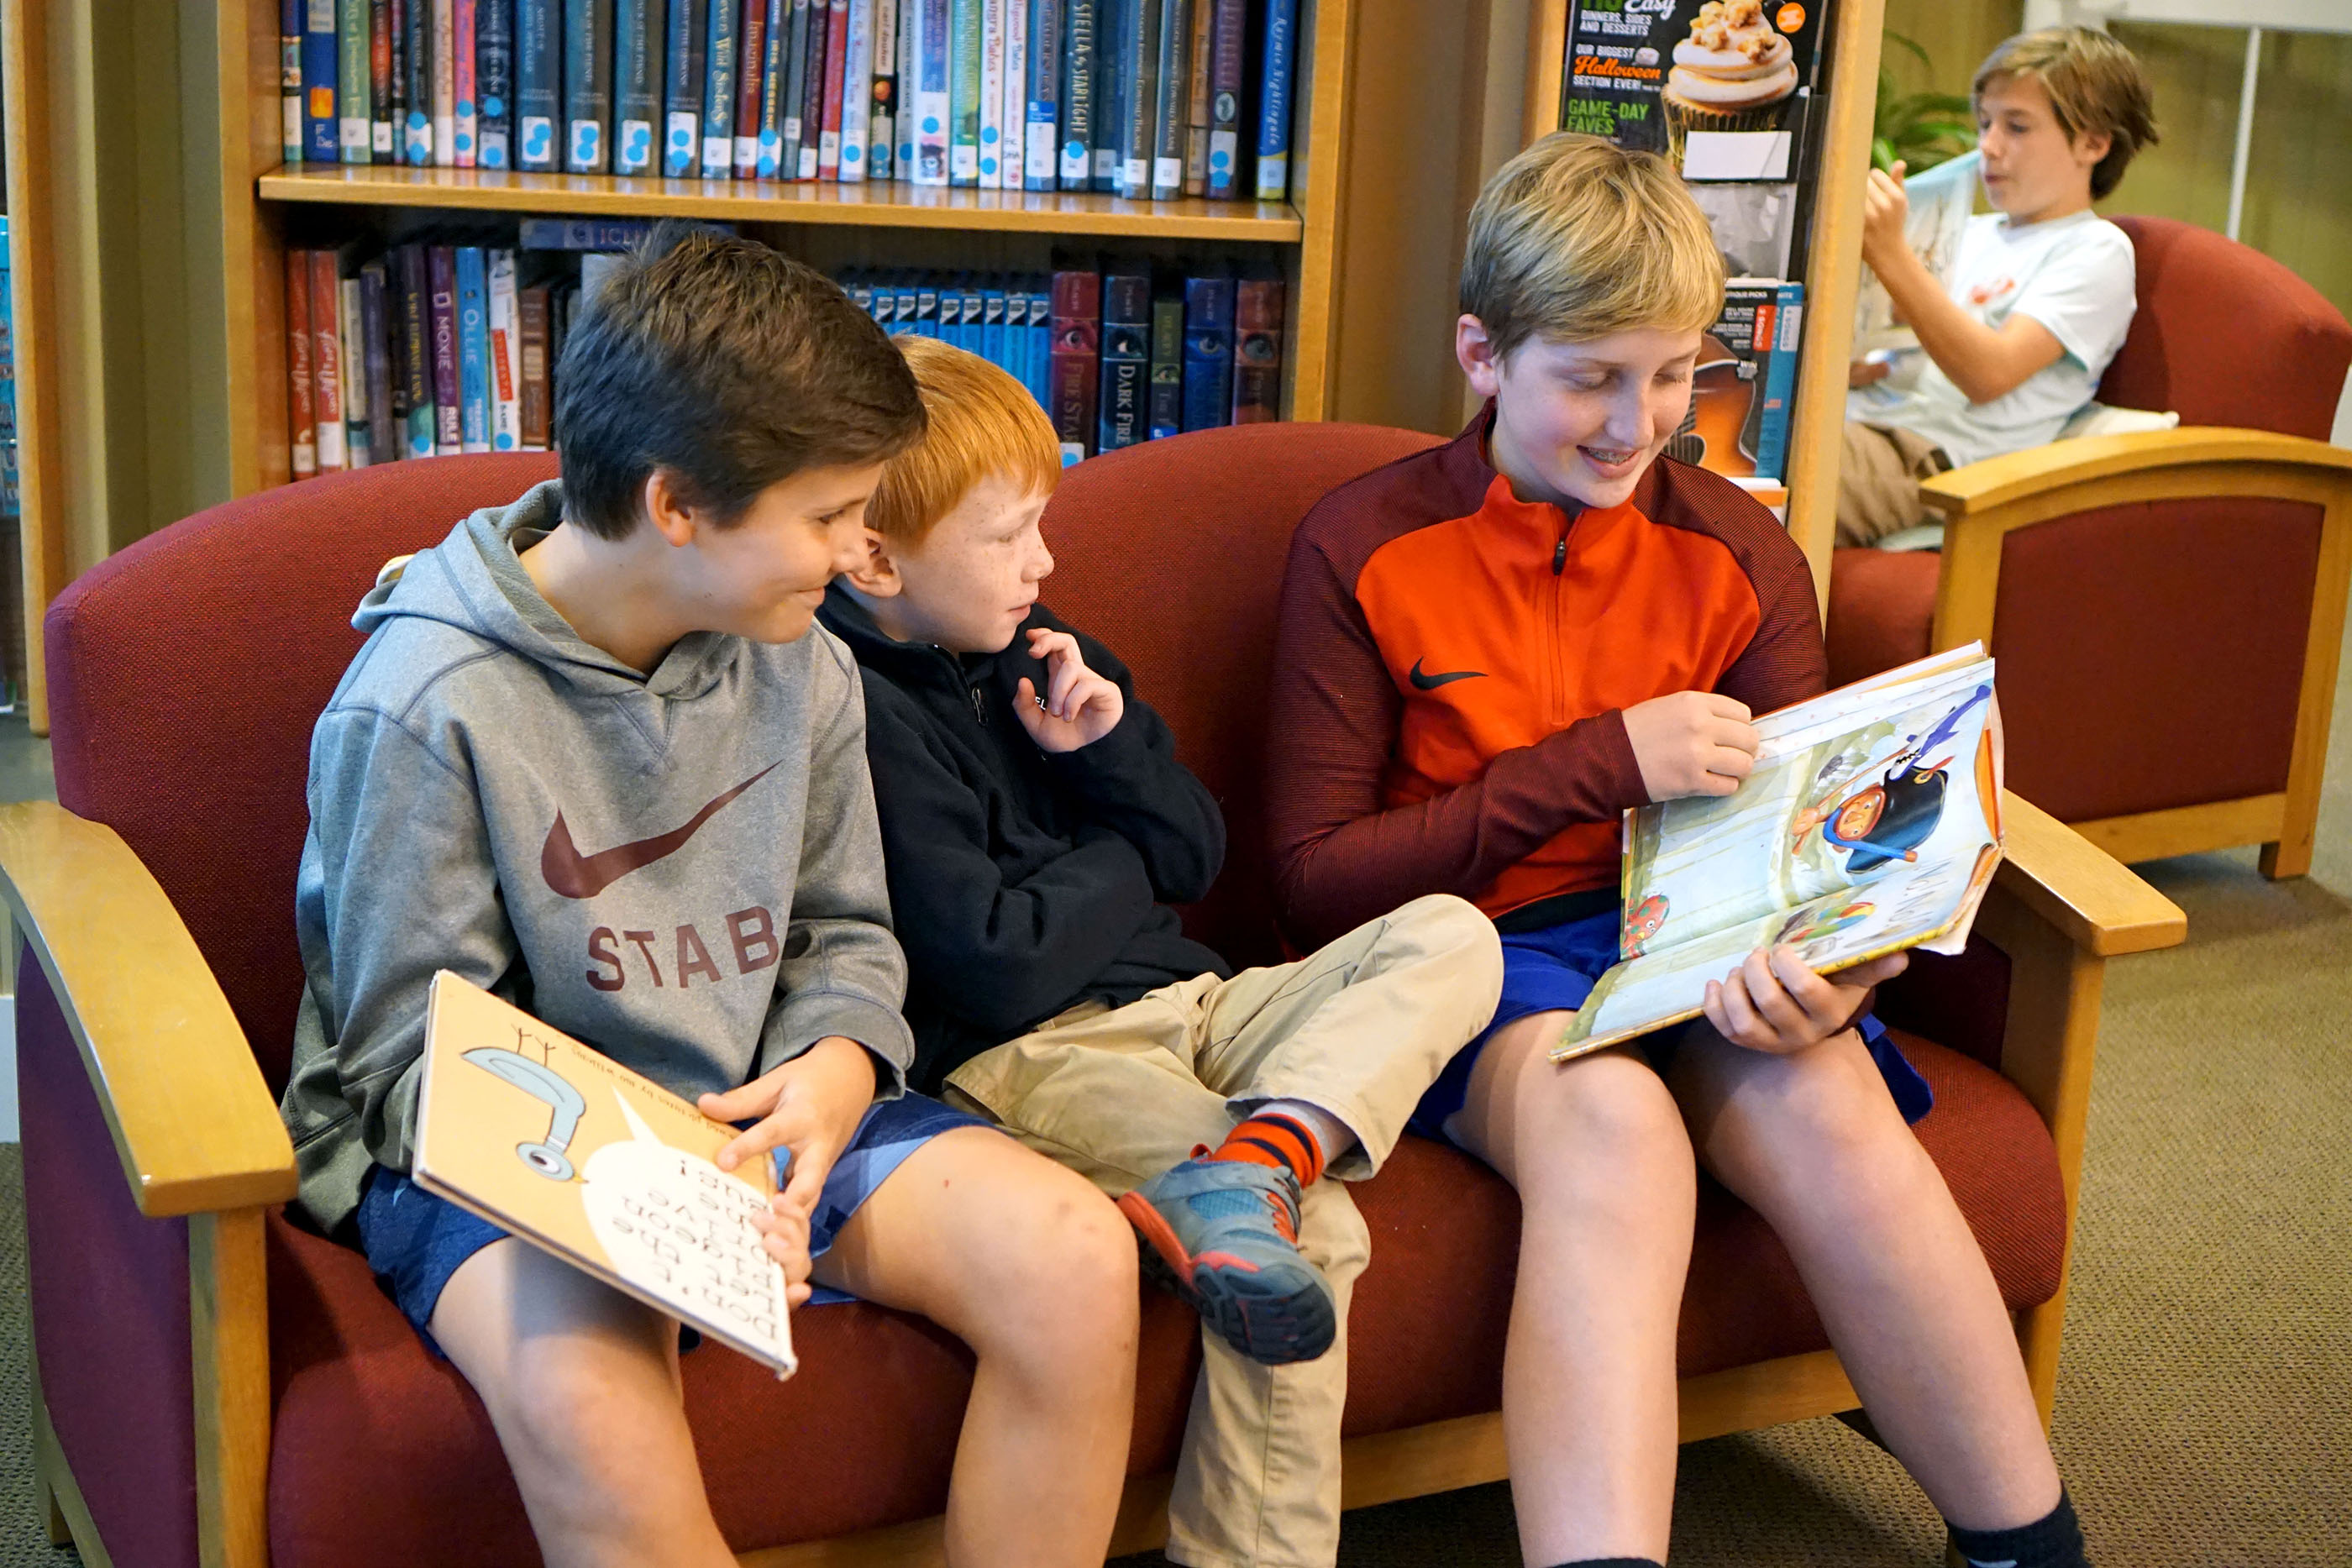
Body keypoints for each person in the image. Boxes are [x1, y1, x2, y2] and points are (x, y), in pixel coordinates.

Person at [1266, 133, 2091, 1568]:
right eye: (1590, 376)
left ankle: (2031, 1547)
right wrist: (1597, 763)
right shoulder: (1363, 544)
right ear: (1481, 354)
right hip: (1462, 956)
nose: (1635, 422)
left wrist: (1840, 970)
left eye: (1670, 374)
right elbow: (1316, 879)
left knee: (1828, 1095)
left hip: (1696, 943)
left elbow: (1816, 847)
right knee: (1613, 1126)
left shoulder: (1741, 553)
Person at [277, 228, 1138, 1568]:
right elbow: (415, 1056)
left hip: (759, 1110)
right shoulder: (425, 702)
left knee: (1076, 1257)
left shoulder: (803, 659)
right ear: (676, 505)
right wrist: (671, 1196)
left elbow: (845, 930)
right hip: (511, 1148)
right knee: (594, 1404)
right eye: (828, 515)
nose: (859, 549)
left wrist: (839, 1067)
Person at [818, 335, 1503, 1568]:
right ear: (876, 559)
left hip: (1197, 999)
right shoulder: (850, 707)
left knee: (1453, 934)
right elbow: (997, 961)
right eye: (1010, 535)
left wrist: (1108, 750)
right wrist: (1122, 850)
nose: (1045, 559)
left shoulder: (1039, 646)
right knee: (1316, 1235)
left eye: (1043, 523)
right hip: (1033, 1056)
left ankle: (1262, 1152)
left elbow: (1195, 849)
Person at [1841, 25, 2160, 547]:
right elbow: (1900, 345)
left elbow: (1988, 375)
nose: (1987, 147)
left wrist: (1892, 255)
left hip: (1934, 459)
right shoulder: (1967, 232)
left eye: (2017, 126)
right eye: (1985, 123)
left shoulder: (2096, 249)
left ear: (2093, 143)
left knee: (1742, 485)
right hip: (1860, 420)